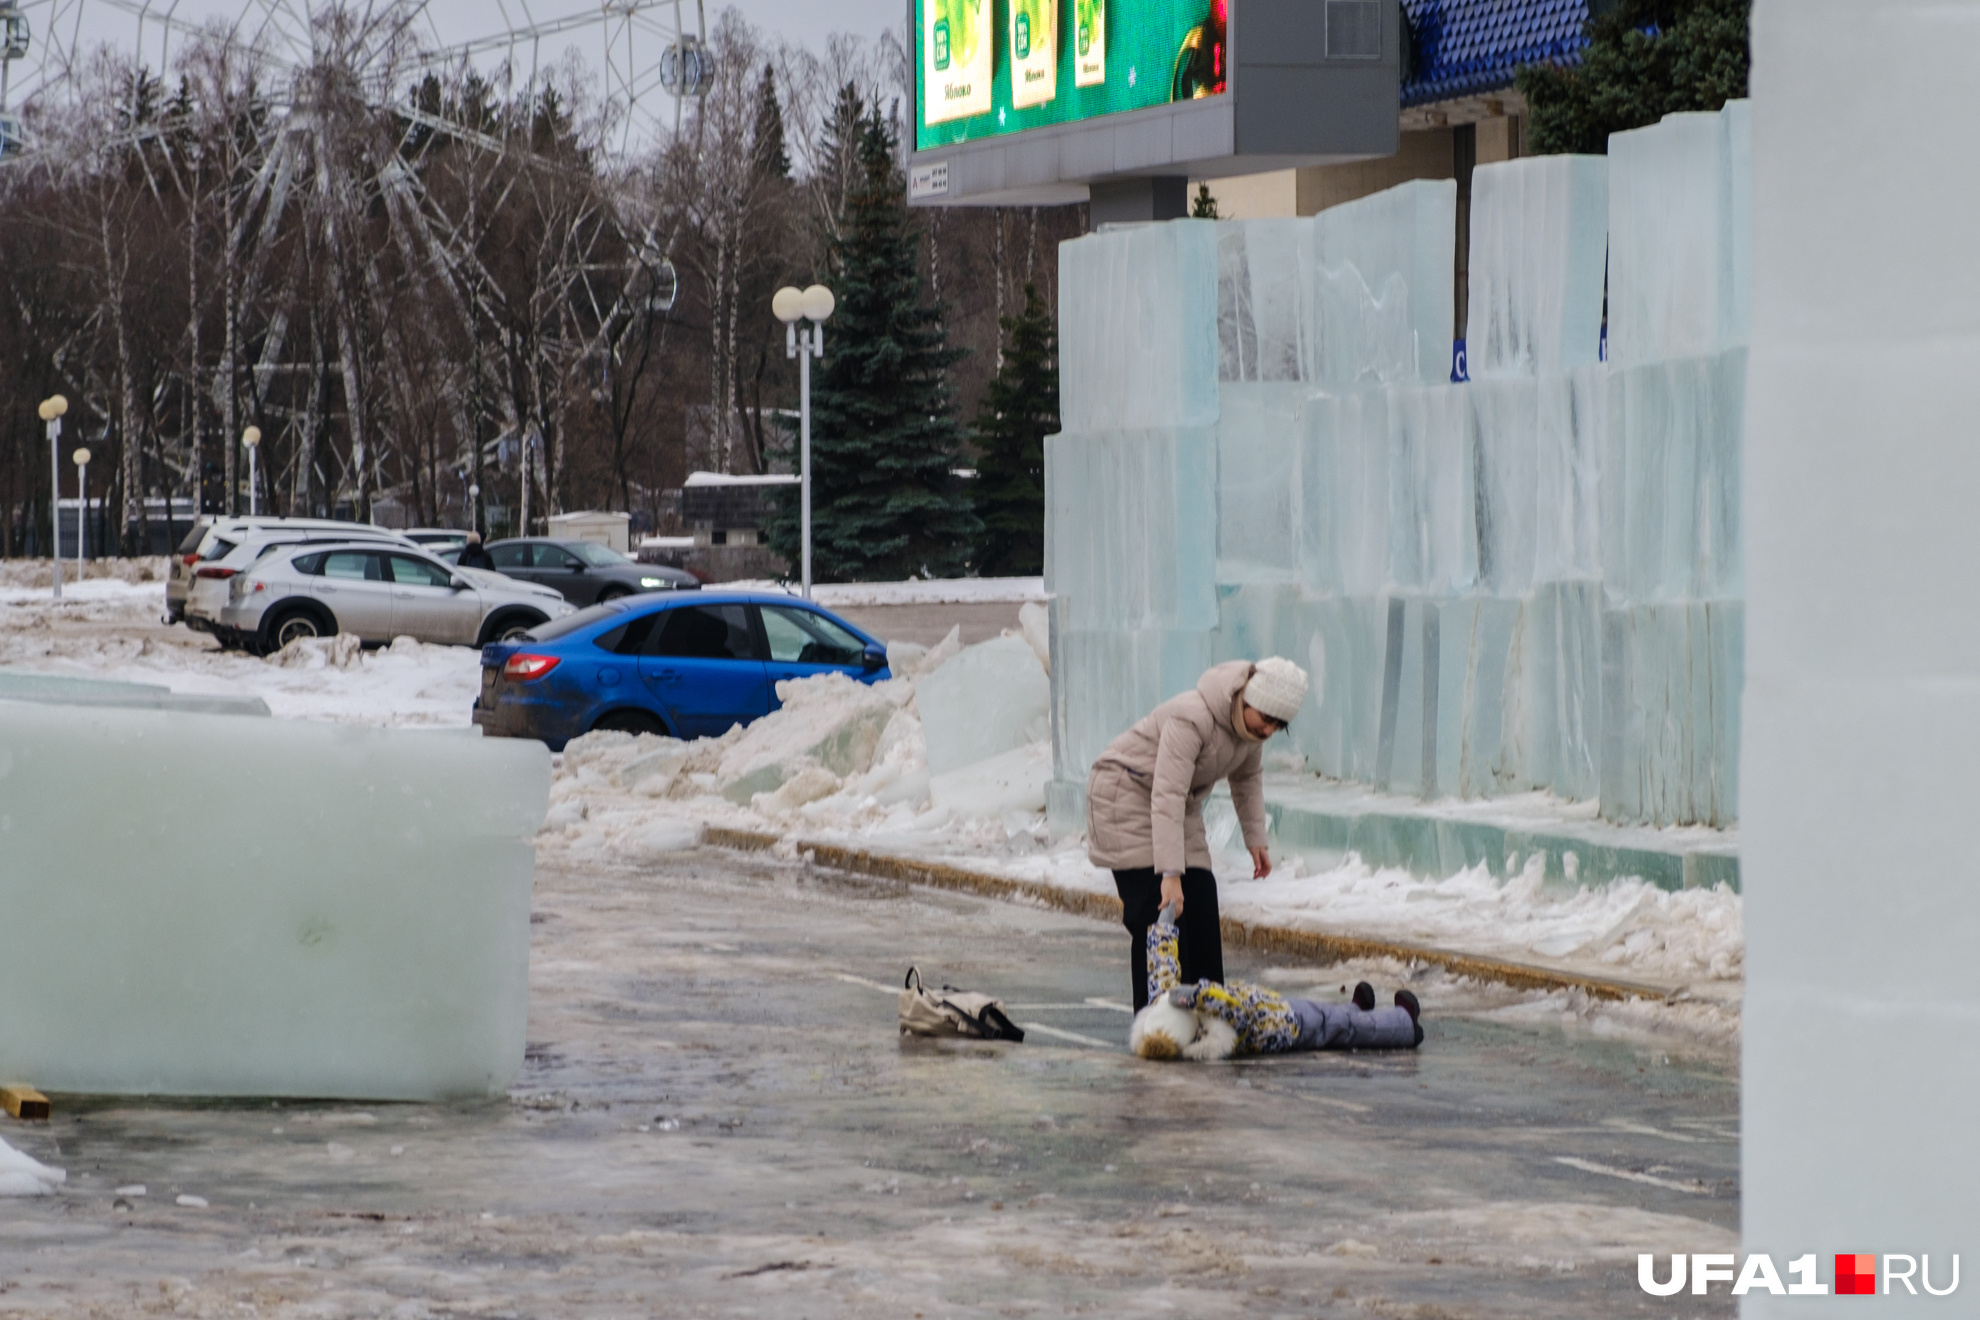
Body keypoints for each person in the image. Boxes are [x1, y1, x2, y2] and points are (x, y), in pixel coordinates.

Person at [1085, 656, 1309, 1010]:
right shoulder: (1192, 717)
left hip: (1178, 802)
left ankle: (1207, 1014)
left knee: (1201, 898)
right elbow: (1166, 794)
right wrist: (1170, 874)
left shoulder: (1249, 732)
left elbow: (1247, 779)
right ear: (1246, 700)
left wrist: (1256, 839)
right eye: (1266, 719)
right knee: (1159, 914)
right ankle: (1157, 1022)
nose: (1268, 730)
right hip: (1124, 795)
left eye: (1279, 726)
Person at [1129, 907, 1422, 1059]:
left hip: (1275, 1007)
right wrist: (1199, 996)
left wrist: (1164, 923)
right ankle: (1404, 1025)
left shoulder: (1163, 1006)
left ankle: (1357, 1009)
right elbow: (1235, 1010)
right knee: (1340, 1029)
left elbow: (1161, 966)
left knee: (1328, 1015)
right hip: (1285, 1026)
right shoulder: (1210, 1034)